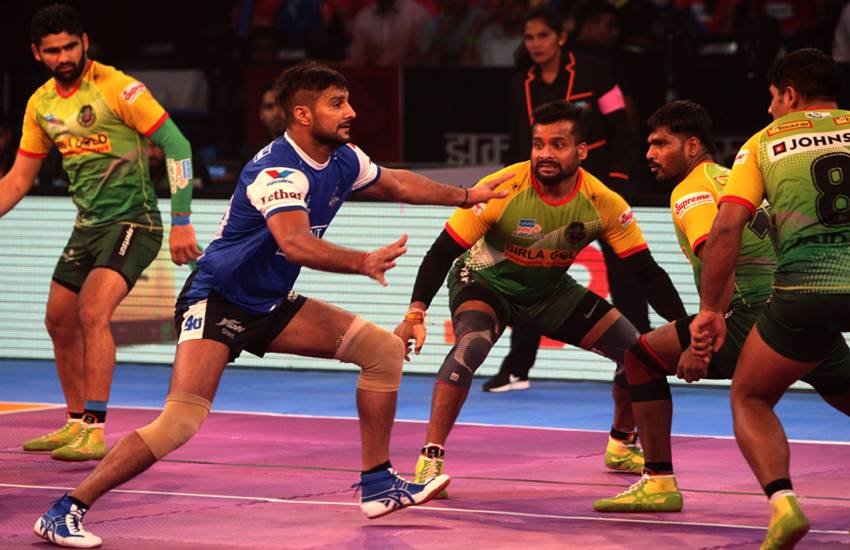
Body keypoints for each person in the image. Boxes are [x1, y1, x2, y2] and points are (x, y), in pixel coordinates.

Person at [32, 61, 510, 548]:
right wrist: (362, 261)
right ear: (302, 114)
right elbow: (295, 243)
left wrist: (467, 195)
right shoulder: (277, 171)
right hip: (217, 300)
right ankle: (65, 509)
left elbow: (397, 183)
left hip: (268, 303)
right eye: (337, 104)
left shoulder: (343, 158)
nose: (351, 111)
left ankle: (378, 484)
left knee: (383, 351)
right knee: (178, 423)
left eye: (347, 100)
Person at [396, 100, 689, 496]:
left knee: (636, 353)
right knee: (471, 345)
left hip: (549, 292)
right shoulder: (502, 188)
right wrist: (415, 313)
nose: (545, 154)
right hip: (484, 283)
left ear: (581, 151)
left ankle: (621, 443)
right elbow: (441, 252)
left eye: (558, 145)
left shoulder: (603, 202)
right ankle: (430, 458)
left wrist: (688, 329)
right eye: (538, 144)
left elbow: (646, 274)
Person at [593, 99, 850, 514]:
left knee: (640, 358)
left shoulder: (691, 190)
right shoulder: (736, 179)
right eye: (649, 144)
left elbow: (716, 249)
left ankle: (658, 482)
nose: (650, 154)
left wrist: (700, 342)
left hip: (748, 316)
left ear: (693, 146)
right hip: (796, 308)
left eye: (661, 143)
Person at [0, 4, 201, 462]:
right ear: (37, 53)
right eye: (53, 50)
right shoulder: (41, 104)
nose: (64, 56)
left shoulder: (118, 88)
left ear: (85, 42)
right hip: (87, 228)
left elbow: (177, 145)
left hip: (135, 223)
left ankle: (94, 428)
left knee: (92, 310)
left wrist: (182, 220)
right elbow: (17, 180)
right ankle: (74, 422)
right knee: (58, 320)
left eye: (71, 46)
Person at [691, 48, 850, 549]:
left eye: (772, 98)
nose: (768, 108)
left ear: (790, 94)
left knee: (751, 396)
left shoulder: (764, 142)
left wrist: (711, 310)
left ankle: (783, 504)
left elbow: (727, 228)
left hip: (806, 290)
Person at [486, 6, 680, 394]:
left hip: (599, 191)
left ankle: (642, 358)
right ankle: (517, 368)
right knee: (531, 276)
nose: (536, 44)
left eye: (543, 35)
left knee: (627, 276)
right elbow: (518, 142)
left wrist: (619, 181)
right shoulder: (521, 84)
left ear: (561, 36)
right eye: (529, 37)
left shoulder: (595, 72)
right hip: (543, 195)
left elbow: (623, 128)